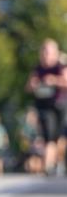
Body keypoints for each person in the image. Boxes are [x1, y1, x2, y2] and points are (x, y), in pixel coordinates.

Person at [25, 39, 67, 175]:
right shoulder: (37, 69)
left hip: (59, 105)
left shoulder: (60, 67)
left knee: (58, 138)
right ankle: (48, 166)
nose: (46, 55)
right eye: (44, 51)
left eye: (48, 52)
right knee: (48, 136)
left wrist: (54, 80)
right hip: (43, 107)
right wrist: (33, 84)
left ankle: (57, 161)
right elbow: (28, 88)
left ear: (55, 53)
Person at [17, 108, 44, 174]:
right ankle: (32, 170)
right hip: (30, 146)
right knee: (31, 158)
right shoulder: (26, 127)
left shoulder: (38, 126)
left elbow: (41, 136)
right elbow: (22, 135)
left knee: (38, 158)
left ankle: (38, 171)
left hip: (38, 146)